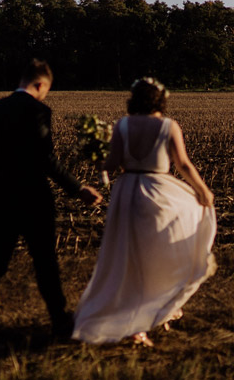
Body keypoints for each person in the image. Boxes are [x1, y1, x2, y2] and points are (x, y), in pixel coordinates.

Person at [73, 77, 216, 347]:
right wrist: (202, 190)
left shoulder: (122, 125)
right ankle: (150, 315)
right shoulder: (169, 126)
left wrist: (96, 155)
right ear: (160, 100)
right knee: (158, 256)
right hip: (157, 193)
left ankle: (136, 319)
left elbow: (112, 164)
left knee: (128, 261)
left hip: (126, 194)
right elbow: (183, 164)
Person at [0, 59, 103, 340]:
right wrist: (78, 188)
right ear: (41, 84)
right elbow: (45, 159)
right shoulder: (38, 111)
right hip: (32, 199)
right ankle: (59, 320)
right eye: (47, 90)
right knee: (45, 262)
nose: (46, 95)